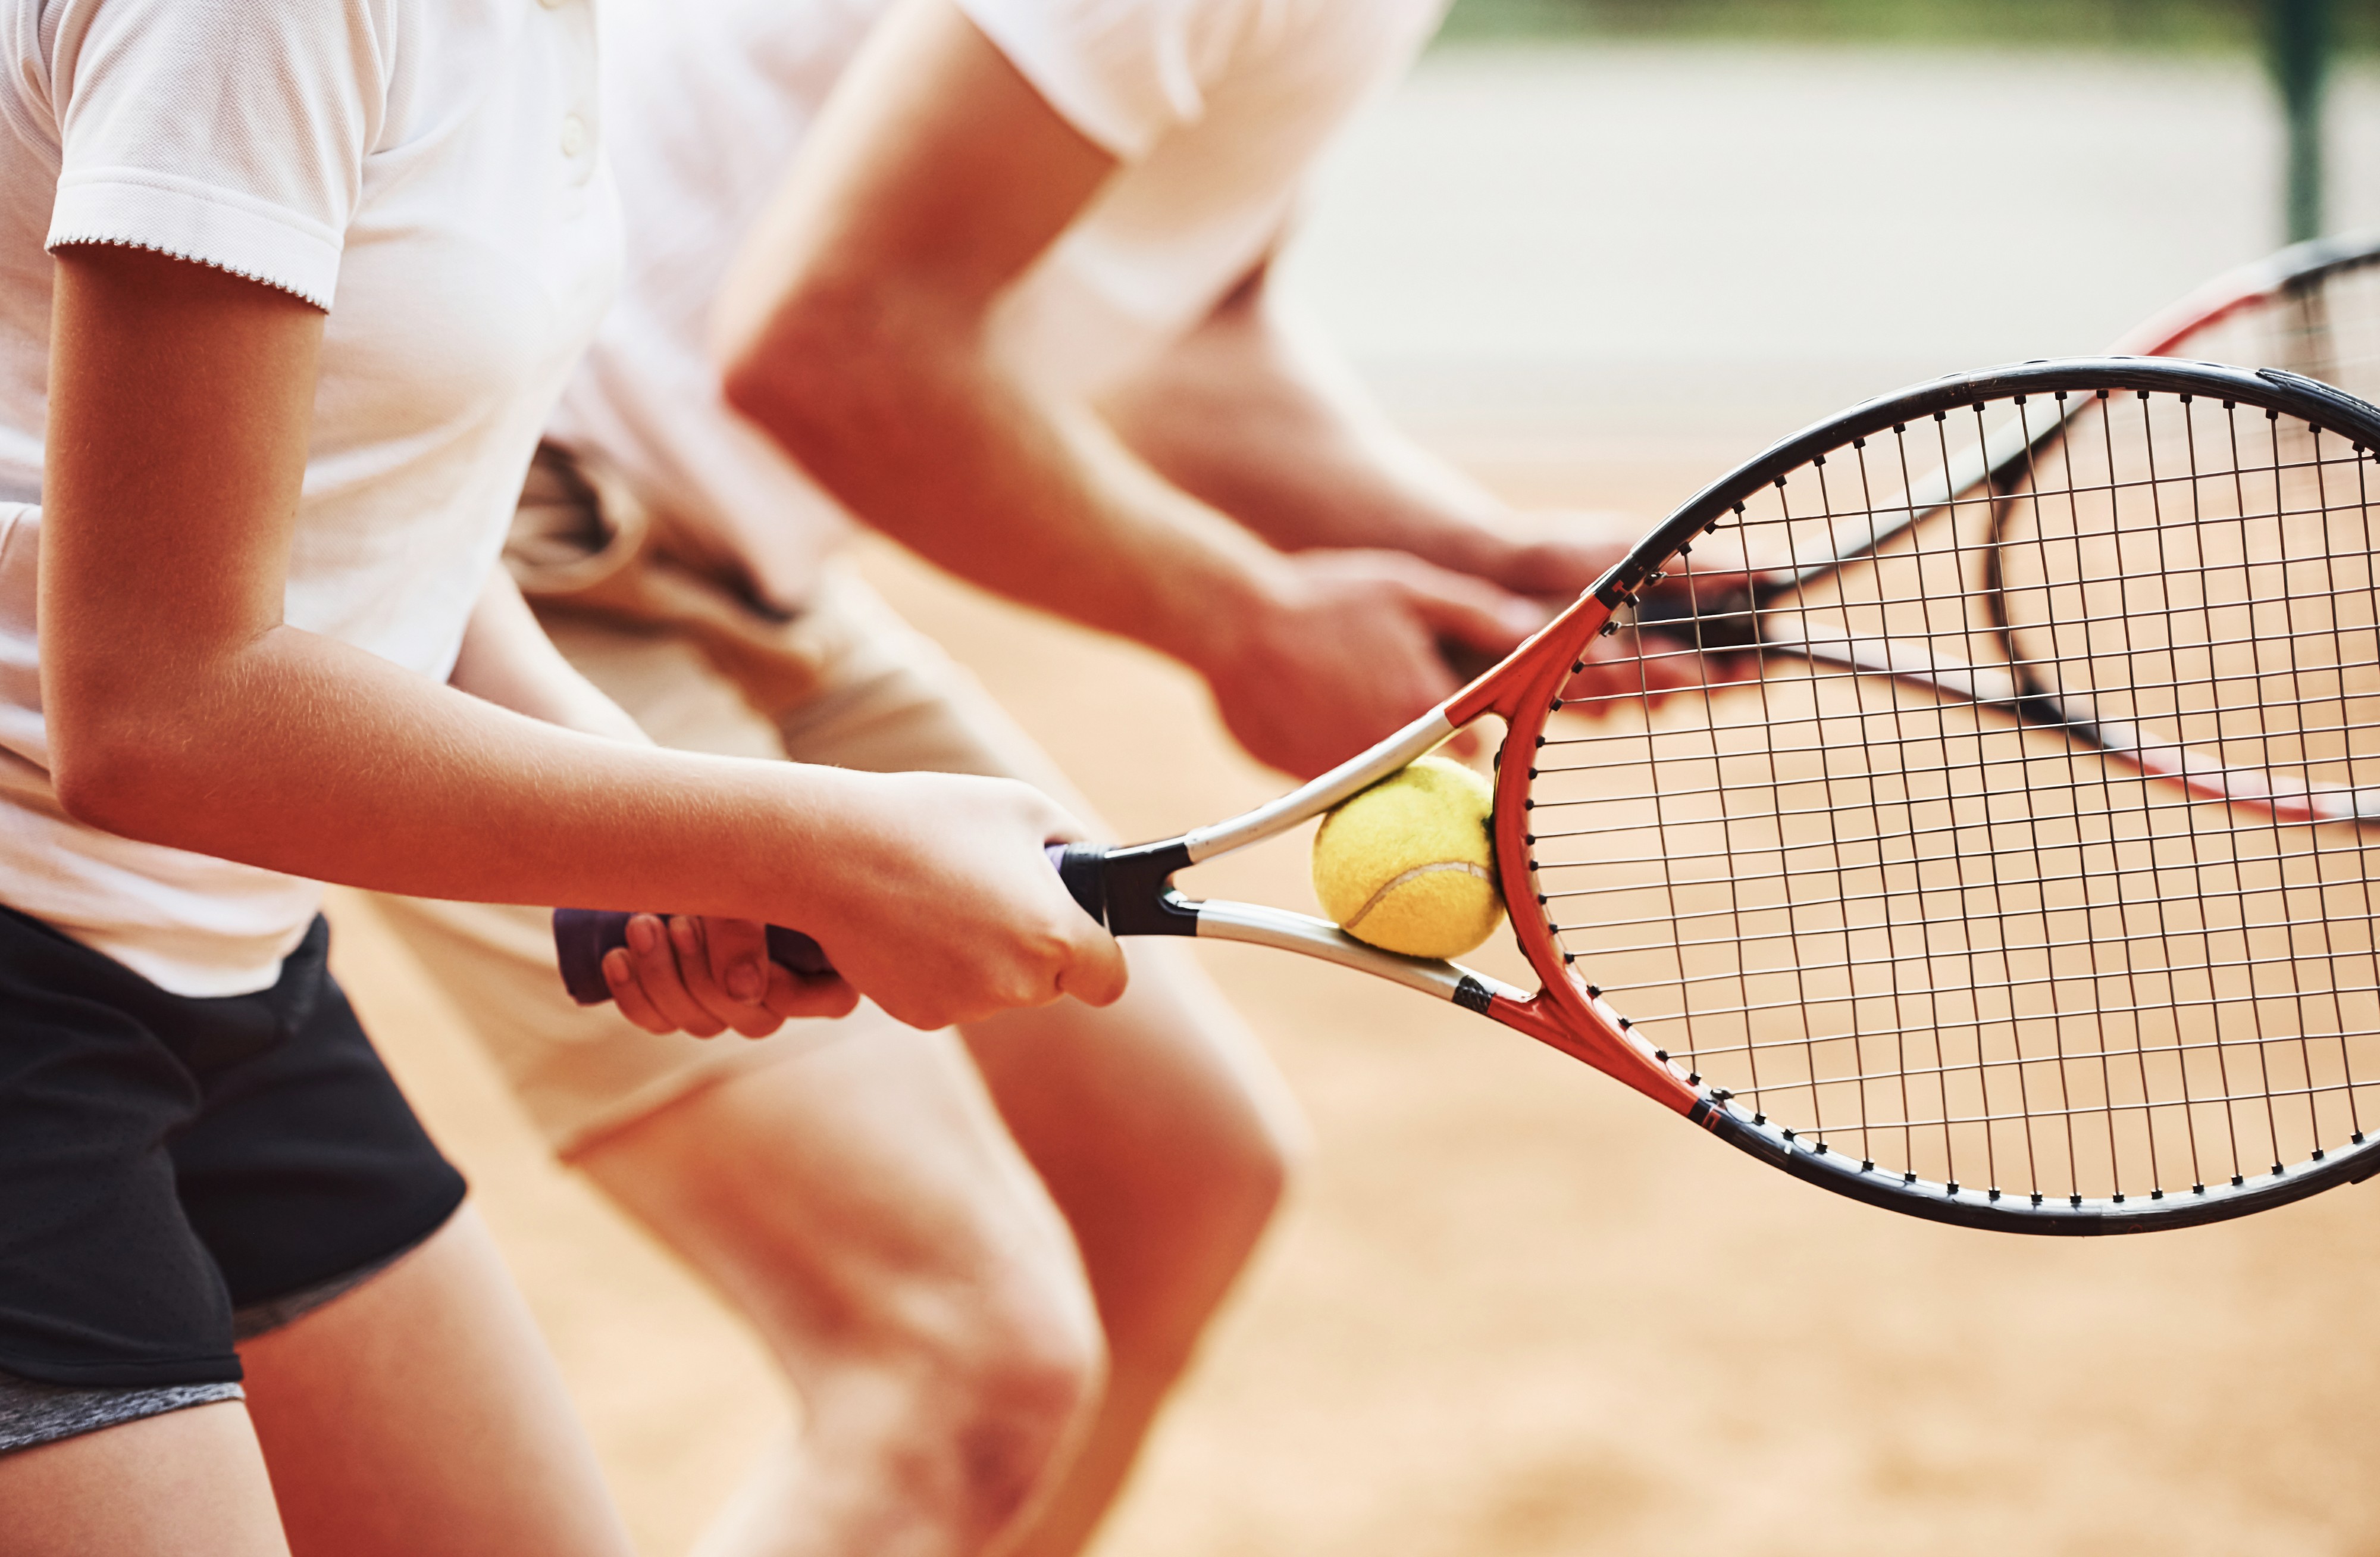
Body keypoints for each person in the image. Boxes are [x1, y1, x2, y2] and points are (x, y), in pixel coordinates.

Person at [364, 1, 1680, 1553]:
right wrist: (1243, 621)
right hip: (517, 541)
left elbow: (1186, 338)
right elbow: (829, 349)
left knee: (1174, 1176)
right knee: (956, 1349)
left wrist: (1474, 556)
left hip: (750, 564)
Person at [0, 1, 1121, 1551]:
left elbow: (382, 493)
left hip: (218, 968)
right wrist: (812, 847)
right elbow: (160, 713)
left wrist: (658, 825)